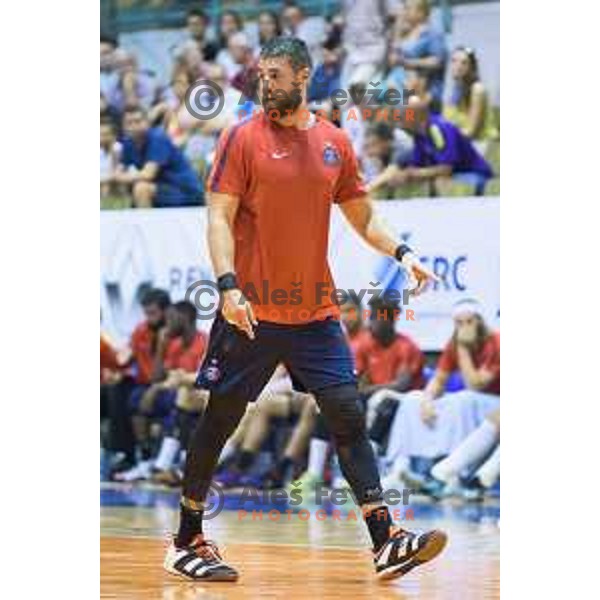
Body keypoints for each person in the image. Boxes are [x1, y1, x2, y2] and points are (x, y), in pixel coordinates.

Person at [163, 37, 447, 583]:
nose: (264, 83)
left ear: (303, 76)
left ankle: (386, 539)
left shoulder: (335, 143)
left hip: (314, 311)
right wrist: (227, 286)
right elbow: (218, 219)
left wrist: (404, 253)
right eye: (260, 75)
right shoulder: (240, 138)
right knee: (219, 420)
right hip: (249, 309)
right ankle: (186, 538)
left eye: (275, 75)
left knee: (347, 414)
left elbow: (363, 218)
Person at [383, 298, 500, 490]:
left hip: (495, 403)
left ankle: (456, 474)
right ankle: (399, 469)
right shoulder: (454, 343)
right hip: (474, 401)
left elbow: (475, 384)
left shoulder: (495, 342)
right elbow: (438, 380)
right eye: (459, 323)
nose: (464, 327)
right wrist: (427, 400)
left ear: (479, 321)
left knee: (463, 399)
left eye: (469, 321)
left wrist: (463, 350)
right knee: (413, 399)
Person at [367, 97, 494, 196]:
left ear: (416, 116)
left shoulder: (440, 128)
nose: (400, 122)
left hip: (473, 175)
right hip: (455, 176)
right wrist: (403, 176)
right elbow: (417, 166)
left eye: (403, 116)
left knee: (440, 183)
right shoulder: (418, 136)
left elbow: (446, 169)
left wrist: (411, 174)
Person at [115, 106, 203, 208]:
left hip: (186, 191)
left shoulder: (158, 137)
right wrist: (118, 176)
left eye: (138, 121)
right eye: (129, 123)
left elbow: (148, 174)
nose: (134, 126)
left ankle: (145, 224)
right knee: (134, 187)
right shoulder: (128, 143)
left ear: (147, 122)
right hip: (162, 189)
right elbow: (119, 170)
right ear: (123, 126)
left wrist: (118, 177)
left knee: (141, 189)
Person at [394, 0, 447, 112]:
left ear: (421, 12)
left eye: (408, 9)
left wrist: (408, 63)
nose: (405, 12)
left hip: (423, 91)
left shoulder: (432, 33)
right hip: (402, 85)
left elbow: (437, 61)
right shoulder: (407, 32)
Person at [443, 46, 498, 149]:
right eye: (454, 61)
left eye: (464, 63)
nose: (458, 66)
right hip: (463, 142)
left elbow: (470, 131)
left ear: (472, 67)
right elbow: (448, 121)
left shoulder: (477, 90)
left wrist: (444, 135)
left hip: (479, 145)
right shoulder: (456, 90)